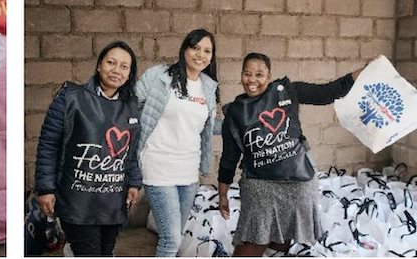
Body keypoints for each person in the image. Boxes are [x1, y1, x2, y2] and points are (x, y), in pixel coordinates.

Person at [218, 53, 366, 256]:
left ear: (269, 77)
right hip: (259, 185)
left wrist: (366, 69)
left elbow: (328, 92)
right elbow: (229, 158)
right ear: (241, 76)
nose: (252, 80)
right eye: (247, 74)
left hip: (298, 180)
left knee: (281, 240)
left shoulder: (288, 92)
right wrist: (223, 194)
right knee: (253, 241)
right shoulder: (235, 112)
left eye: (259, 74)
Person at [34, 41, 144, 256]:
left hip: (112, 201)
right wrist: (46, 188)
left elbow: (130, 152)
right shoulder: (70, 97)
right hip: (78, 201)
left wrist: (134, 182)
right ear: (99, 65)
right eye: (111, 62)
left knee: (106, 251)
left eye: (124, 66)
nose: (116, 70)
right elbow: (48, 145)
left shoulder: (131, 105)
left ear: (130, 74)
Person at [133, 28, 219, 257]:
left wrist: (242, 123)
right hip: (158, 165)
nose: (201, 54)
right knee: (170, 240)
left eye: (207, 51)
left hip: (188, 171)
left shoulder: (208, 87)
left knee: (175, 235)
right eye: (196, 47)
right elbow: (132, 107)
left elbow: (208, 126)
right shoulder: (159, 76)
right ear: (185, 49)